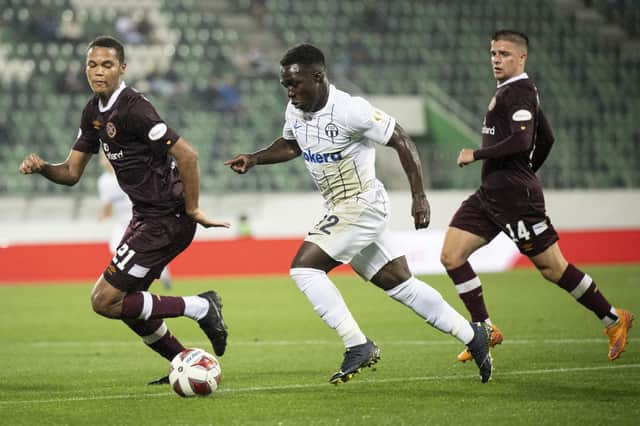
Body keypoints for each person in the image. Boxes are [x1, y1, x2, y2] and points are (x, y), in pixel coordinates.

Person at [225, 43, 493, 384]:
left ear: (318, 77)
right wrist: (254, 157)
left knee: (304, 270)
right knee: (400, 284)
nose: (290, 92)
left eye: (295, 84)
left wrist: (419, 196)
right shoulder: (296, 110)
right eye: (285, 86)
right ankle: (474, 336)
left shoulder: (351, 110)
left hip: (362, 204)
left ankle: (358, 344)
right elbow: (292, 144)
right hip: (341, 208)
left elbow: (401, 140)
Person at [18, 36, 230, 384]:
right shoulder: (93, 112)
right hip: (144, 217)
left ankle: (201, 307)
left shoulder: (134, 108)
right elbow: (71, 173)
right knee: (127, 303)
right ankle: (182, 361)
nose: (98, 71)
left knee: (104, 300)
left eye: (107, 65)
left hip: (166, 218)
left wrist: (192, 208)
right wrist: (43, 167)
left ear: (122, 68)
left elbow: (188, 156)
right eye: (92, 64)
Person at [440, 30, 633, 364]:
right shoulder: (512, 91)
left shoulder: (519, 92)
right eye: (493, 54)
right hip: (491, 196)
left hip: (517, 201)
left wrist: (478, 155)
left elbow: (521, 141)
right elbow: (547, 138)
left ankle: (614, 319)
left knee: (553, 269)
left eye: (504, 54)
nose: (496, 60)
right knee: (451, 256)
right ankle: (485, 330)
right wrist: (527, 170)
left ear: (522, 57)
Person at [97, 151, 172, 290]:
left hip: (139, 220)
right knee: (117, 248)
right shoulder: (103, 182)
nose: (104, 160)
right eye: (102, 158)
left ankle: (158, 273)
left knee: (141, 250)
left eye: (106, 157)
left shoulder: (129, 173)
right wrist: (103, 215)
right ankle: (131, 278)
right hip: (122, 223)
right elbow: (107, 206)